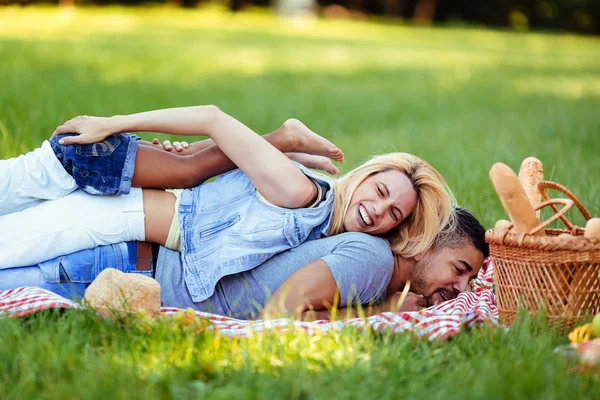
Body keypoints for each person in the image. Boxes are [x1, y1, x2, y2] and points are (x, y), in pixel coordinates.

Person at [0, 106, 455, 303]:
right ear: (366, 176)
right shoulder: (303, 195)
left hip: (127, 212)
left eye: (394, 214)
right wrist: (113, 122)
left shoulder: (319, 208)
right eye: (380, 192)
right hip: (115, 216)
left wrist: (289, 152)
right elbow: (213, 119)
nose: (379, 211)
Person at [0, 208, 488, 321]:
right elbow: (281, 316)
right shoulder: (374, 260)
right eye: (460, 267)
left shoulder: (375, 273)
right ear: (424, 246)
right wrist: (381, 313)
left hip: (133, 276)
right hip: (127, 272)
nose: (463, 287)